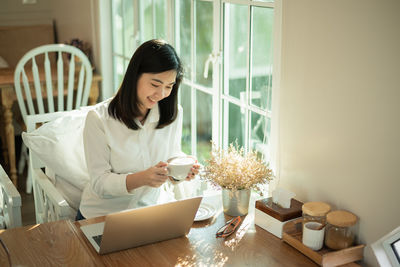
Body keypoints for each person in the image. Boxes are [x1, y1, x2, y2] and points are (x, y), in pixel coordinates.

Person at [76, 39, 199, 220]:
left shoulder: (173, 113)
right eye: (155, 85)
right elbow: (99, 183)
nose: (162, 94)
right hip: (103, 215)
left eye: (169, 86)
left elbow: (171, 155)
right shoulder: (98, 119)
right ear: (135, 76)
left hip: (151, 212)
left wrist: (181, 169)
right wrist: (142, 178)